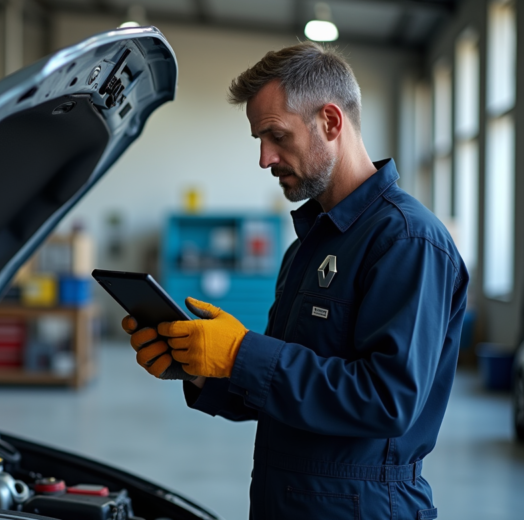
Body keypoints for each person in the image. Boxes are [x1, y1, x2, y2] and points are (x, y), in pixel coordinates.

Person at [122, 42, 468, 519]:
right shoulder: (307, 245)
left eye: (277, 136)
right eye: (259, 140)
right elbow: (288, 392)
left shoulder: (406, 240)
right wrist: (205, 370)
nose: (265, 159)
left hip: (363, 506)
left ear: (330, 121)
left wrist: (242, 353)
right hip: (286, 497)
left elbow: (388, 401)